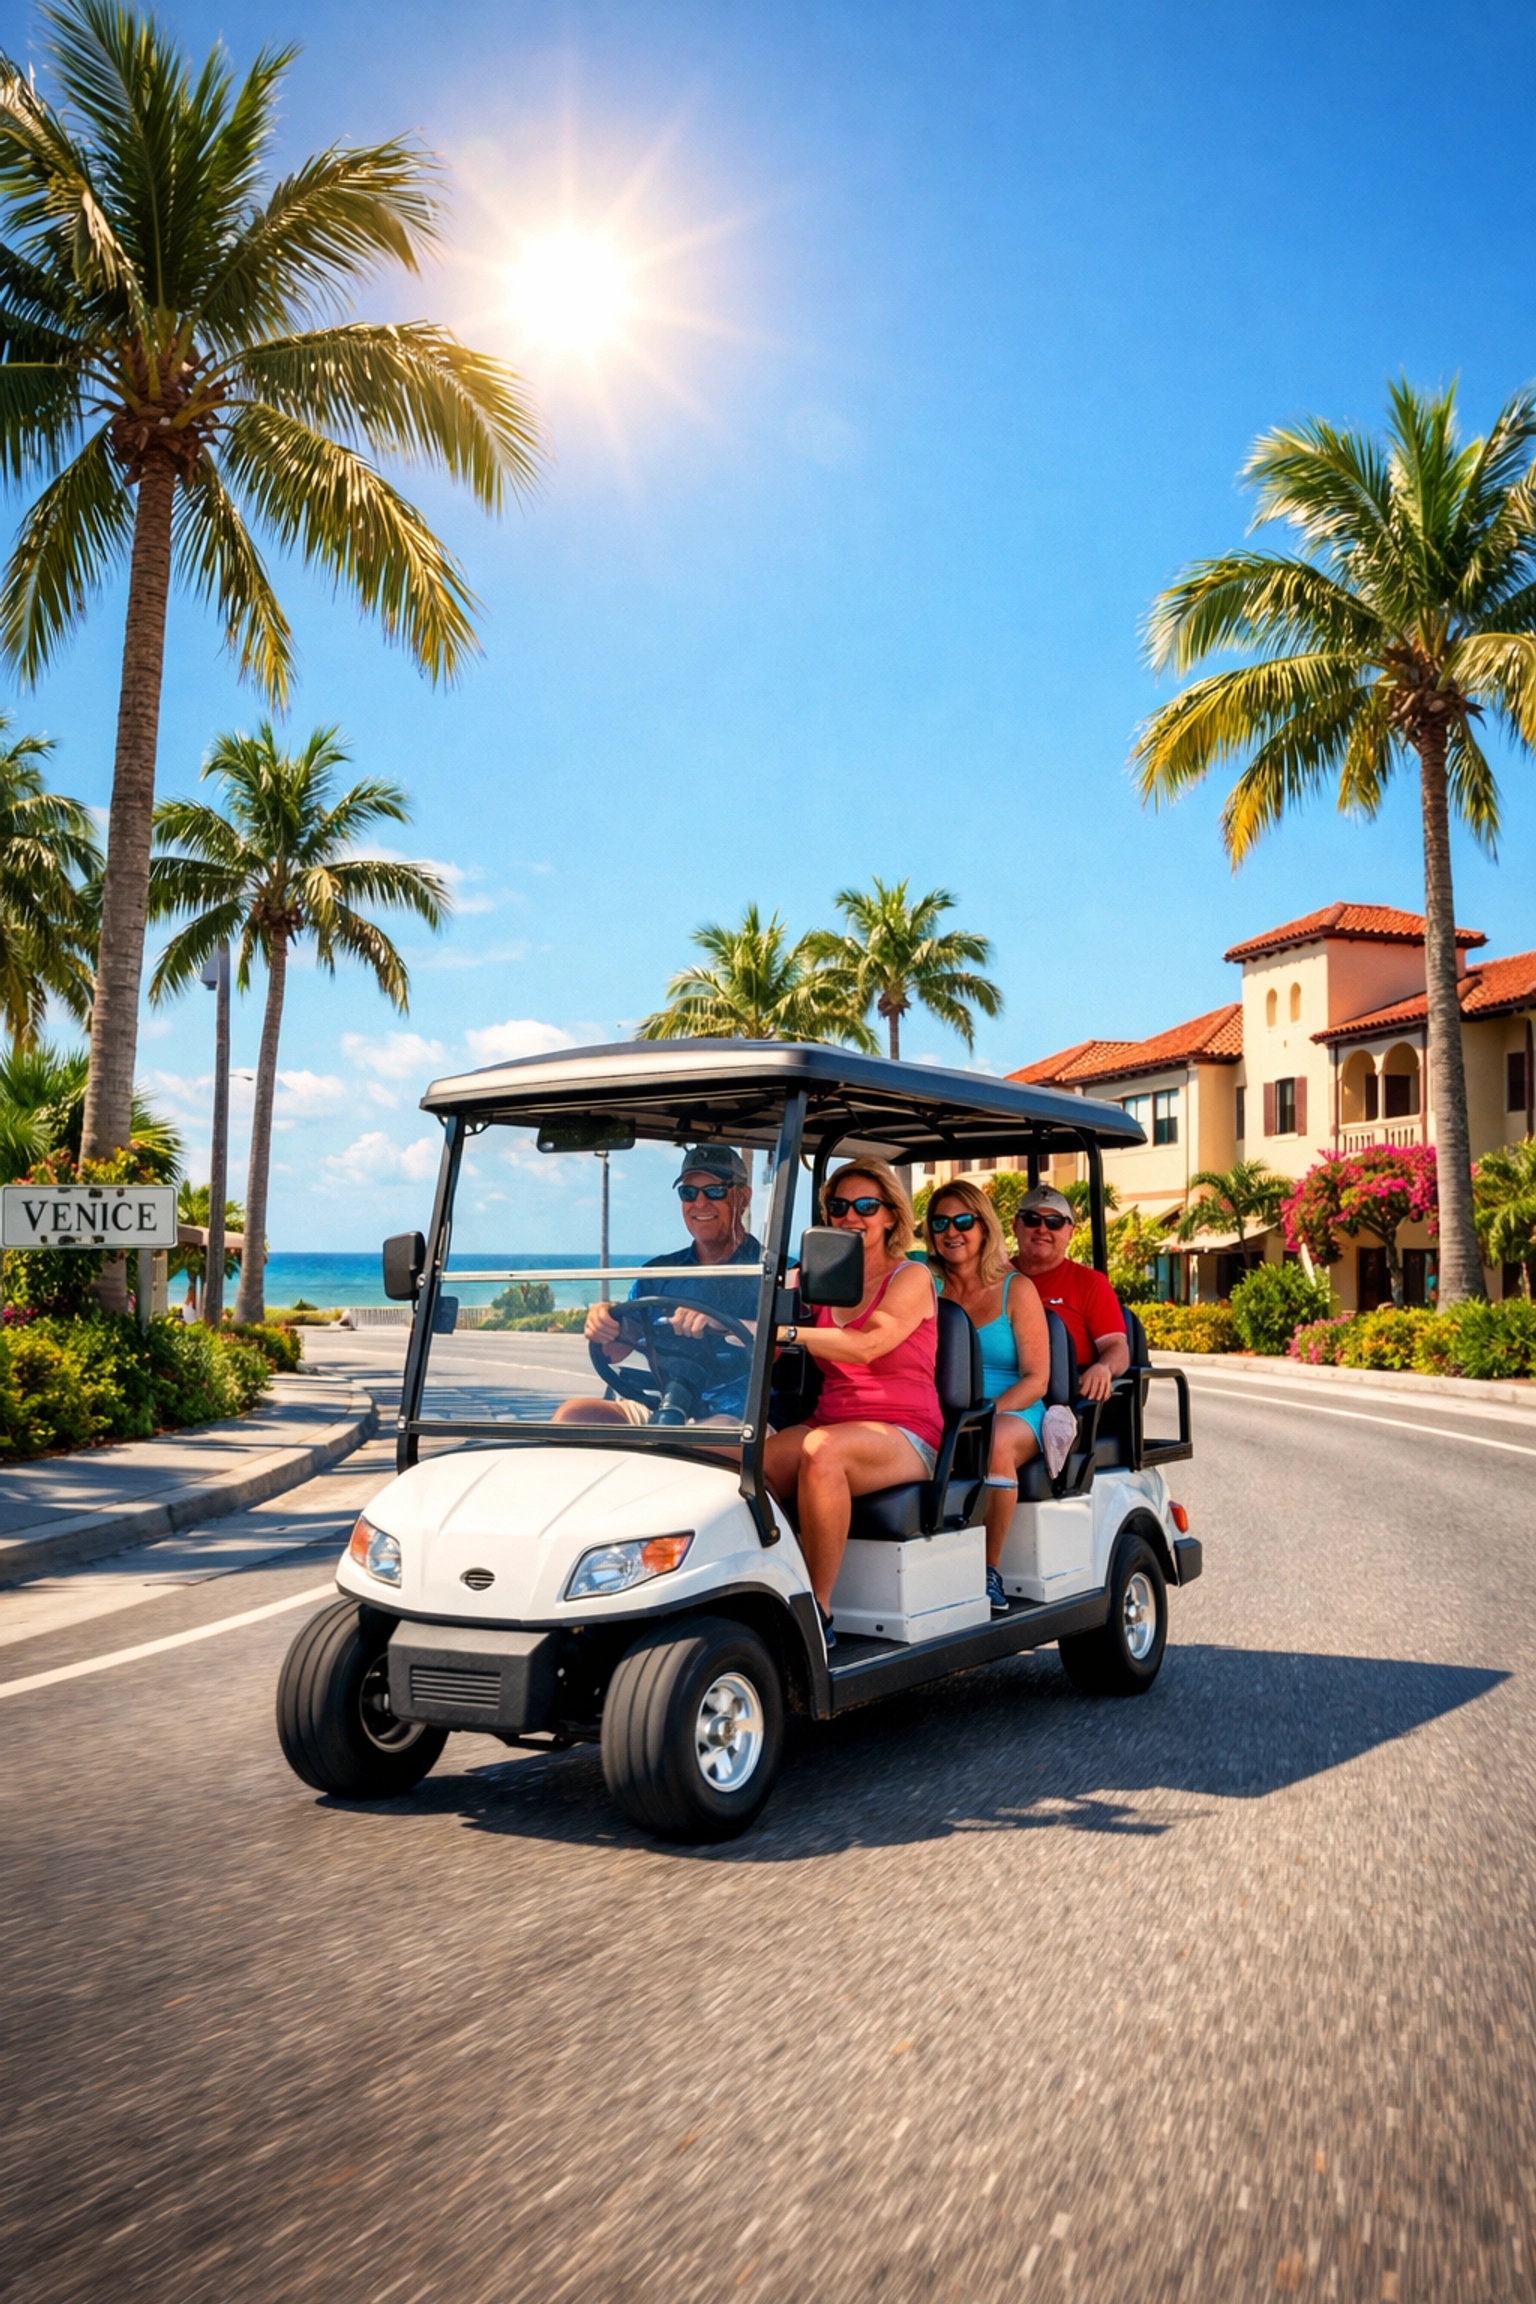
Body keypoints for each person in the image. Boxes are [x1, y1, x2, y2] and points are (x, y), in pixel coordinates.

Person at [763, 1159, 941, 1650]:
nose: (851, 1217)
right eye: (839, 1207)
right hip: (833, 1420)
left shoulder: (911, 1277)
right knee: (742, 1463)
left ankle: (817, 1614)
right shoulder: (814, 1279)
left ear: (890, 1216)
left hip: (906, 1432)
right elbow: (766, 1338)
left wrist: (792, 1330)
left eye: (866, 1206)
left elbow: (866, 1345)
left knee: (823, 1452)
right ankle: (763, 1587)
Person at [554, 1146, 761, 1426]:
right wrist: (605, 1323)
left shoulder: (771, 1271)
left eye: (714, 1190)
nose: (700, 1203)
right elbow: (618, 1349)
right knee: (573, 1416)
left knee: (706, 1434)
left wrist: (723, 1323)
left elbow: (781, 1347)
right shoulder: (659, 1273)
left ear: (743, 1197)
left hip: (739, 1417)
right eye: (688, 1193)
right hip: (663, 1405)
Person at [924, 1180, 1049, 1615]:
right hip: (945, 1410)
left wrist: (985, 1414)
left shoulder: (1017, 1289)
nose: (951, 1231)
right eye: (941, 1222)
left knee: (991, 1442)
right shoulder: (926, 1288)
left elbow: (1037, 1379)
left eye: (963, 1221)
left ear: (983, 1227)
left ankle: (989, 1569)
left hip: (1013, 1409)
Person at [1009, 1184, 1128, 1403]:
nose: (1042, 1229)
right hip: (1000, 1386)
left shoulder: (1090, 1283)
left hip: (1066, 1398)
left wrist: (1104, 1368)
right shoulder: (994, 1278)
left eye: (1054, 1222)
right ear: (1014, 1226)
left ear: (1070, 1232)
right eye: (1032, 1219)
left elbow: (1116, 1346)